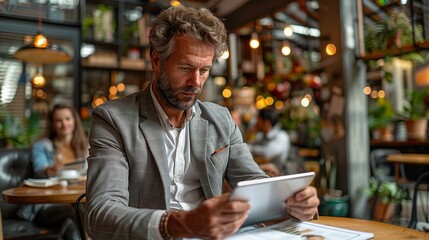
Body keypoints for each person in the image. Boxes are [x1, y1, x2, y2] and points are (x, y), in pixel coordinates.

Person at [85, 5, 319, 240]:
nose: (196, 82)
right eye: (185, 67)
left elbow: (254, 183)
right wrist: (180, 224)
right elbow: (101, 215)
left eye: (204, 70)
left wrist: (291, 204)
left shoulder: (220, 119)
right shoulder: (114, 119)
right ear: (157, 61)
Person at [18, 104, 88, 240]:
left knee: (83, 213)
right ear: (52, 124)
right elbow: (40, 171)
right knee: (77, 212)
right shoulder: (42, 145)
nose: (64, 124)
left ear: (74, 120)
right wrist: (51, 170)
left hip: (77, 200)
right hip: (47, 205)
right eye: (59, 120)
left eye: (68, 119)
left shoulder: (84, 145)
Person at [246, 108, 291, 177]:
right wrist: (250, 133)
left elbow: (267, 153)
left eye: (258, 120)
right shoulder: (262, 135)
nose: (256, 122)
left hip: (279, 176)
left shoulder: (281, 136)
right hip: (263, 174)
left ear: (266, 122)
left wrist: (247, 147)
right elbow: (248, 149)